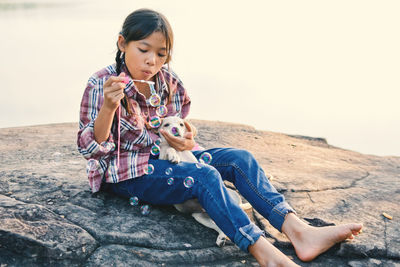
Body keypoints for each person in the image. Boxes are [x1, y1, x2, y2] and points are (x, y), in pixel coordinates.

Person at [77, 8, 362, 267]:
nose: (152, 61)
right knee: (204, 177)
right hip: (128, 171)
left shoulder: (166, 81)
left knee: (240, 160)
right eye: (143, 49)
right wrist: (109, 107)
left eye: (161, 54)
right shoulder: (102, 83)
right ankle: (265, 253)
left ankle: (299, 231)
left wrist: (186, 139)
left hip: (168, 157)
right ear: (121, 43)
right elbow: (92, 147)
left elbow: (178, 127)